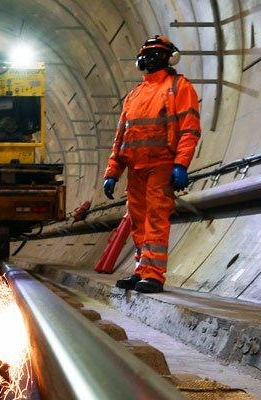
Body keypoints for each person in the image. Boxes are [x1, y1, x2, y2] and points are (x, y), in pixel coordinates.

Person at [103, 35, 201, 293]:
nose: (150, 57)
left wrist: (180, 163)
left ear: (169, 57)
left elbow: (189, 129)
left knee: (156, 218)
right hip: (135, 168)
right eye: (147, 52)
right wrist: (113, 171)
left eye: (156, 52)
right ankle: (141, 270)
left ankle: (154, 274)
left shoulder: (180, 88)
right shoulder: (134, 95)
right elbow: (122, 136)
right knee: (139, 221)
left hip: (161, 165)